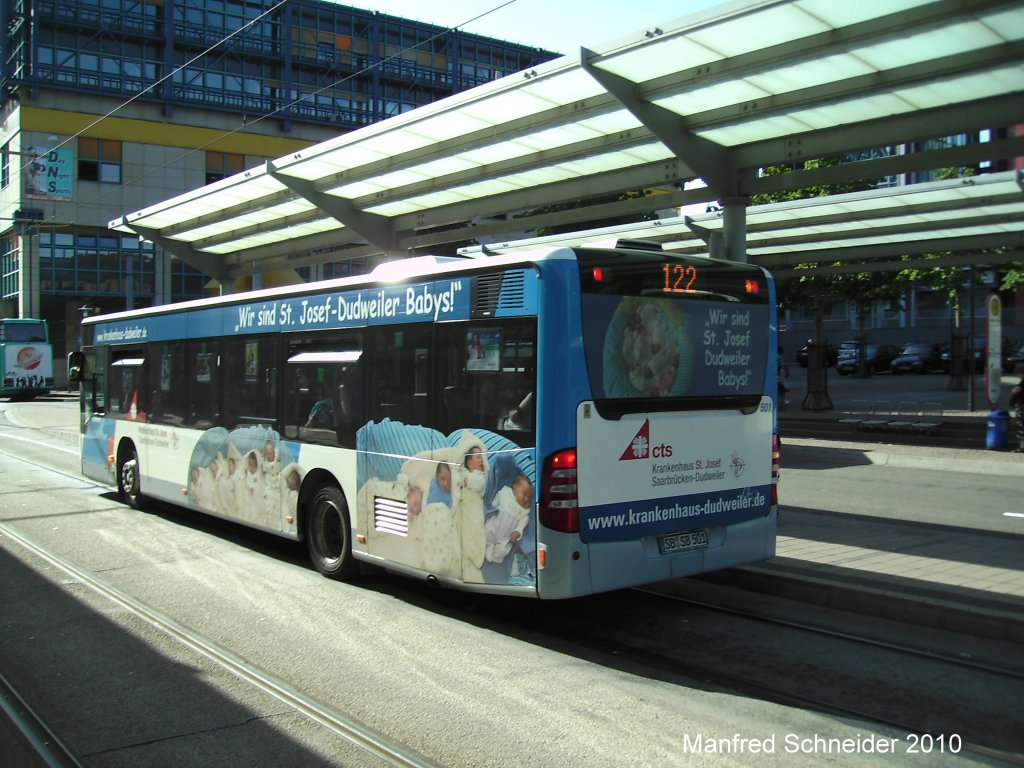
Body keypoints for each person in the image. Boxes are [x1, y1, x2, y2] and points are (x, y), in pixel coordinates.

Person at [1010, 370, 1024, 453]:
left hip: (1021, 407)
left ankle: (1022, 447)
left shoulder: (1022, 383)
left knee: (1021, 427)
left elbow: (1015, 391)